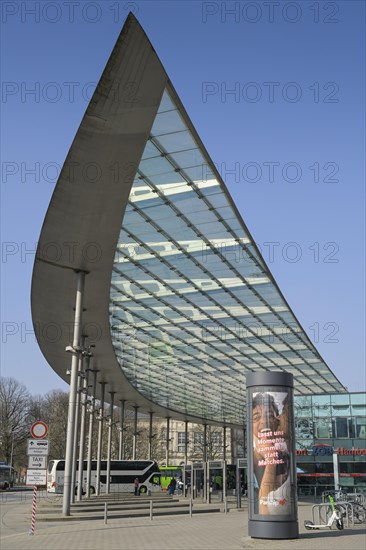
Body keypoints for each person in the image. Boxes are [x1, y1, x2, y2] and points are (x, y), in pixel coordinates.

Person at [252, 392, 290, 515]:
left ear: (276, 422)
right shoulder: (253, 459)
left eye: (269, 416)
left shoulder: (284, 456)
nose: (264, 421)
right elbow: (265, 511)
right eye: (256, 417)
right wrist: (270, 459)